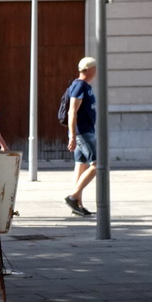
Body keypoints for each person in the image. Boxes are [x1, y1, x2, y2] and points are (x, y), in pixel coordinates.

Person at [65, 56, 98, 217]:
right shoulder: (79, 86)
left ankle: (77, 204)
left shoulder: (85, 86)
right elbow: (72, 111)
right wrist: (72, 135)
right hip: (82, 132)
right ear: (90, 70)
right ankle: (73, 197)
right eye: (95, 68)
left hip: (85, 131)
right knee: (97, 164)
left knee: (81, 165)